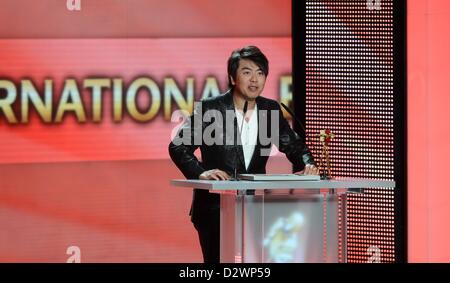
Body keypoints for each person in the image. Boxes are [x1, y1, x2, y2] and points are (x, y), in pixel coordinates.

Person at [168, 45, 318, 263]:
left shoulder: (270, 109)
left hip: (255, 209)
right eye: (247, 72)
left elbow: (294, 147)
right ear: (232, 77)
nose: (254, 80)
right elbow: (178, 147)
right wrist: (201, 173)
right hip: (215, 209)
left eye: (260, 73)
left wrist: (308, 165)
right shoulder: (212, 108)